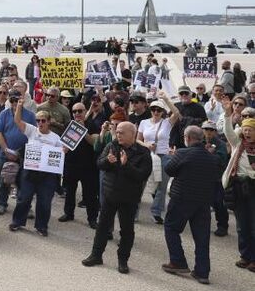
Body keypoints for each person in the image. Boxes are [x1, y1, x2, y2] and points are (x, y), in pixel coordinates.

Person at [81, 122, 152, 274]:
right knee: (102, 227)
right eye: (117, 132)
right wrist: (107, 161)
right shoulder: (112, 146)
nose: (118, 134)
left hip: (129, 198)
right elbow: (99, 163)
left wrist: (126, 165)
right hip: (110, 195)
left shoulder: (143, 152)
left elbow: (142, 175)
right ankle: (96, 255)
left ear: (132, 134)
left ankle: (123, 261)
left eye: (121, 132)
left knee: (127, 231)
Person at [161, 126, 221, 284]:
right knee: (202, 237)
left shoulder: (182, 153)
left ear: (187, 138)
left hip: (181, 199)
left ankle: (177, 261)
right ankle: (202, 272)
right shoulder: (212, 157)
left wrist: (172, 156)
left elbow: (169, 170)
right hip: (203, 202)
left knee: (171, 228)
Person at [9, 107, 64, 236]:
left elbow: (61, 154)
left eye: (43, 120)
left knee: (44, 201)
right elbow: (17, 121)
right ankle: (17, 221)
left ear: (49, 121)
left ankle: (41, 226)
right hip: (30, 171)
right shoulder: (32, 131)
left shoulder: (56, 138)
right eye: (38, 120)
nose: (40, 123)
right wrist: (19, 106)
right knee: (24, 198)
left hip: (47, 175)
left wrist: (64, 151)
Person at [58, 100, 100, 227]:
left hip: (89, 166)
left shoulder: (92, 124)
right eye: (74, 111)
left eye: (80, 111)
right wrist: (64, 149)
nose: (77, 113)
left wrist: (83, 131)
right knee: (70, 191)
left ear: (85, 111)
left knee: (90, 194)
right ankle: (69, 213)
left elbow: (94, 142)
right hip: (71, 165)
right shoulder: (69, 125)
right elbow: (64, 145)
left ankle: (92, 219)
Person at [223, 107, 255, 271]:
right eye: (245, 129)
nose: (247, 132)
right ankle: (245, 256)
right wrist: (228, 116)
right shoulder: (238, 144)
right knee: (242, 224)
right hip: (239, 187)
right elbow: (228, 132)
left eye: (250, 130)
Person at [137, 99, 179, 224]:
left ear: (163, 112)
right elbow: (137, 140)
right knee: (140, 184)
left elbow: (176, 113)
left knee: (162, 186)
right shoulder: (144, 122)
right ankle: (134, 212)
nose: (156, 112)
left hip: (163, 156)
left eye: (159, 110)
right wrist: (146, 145)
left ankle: (156, 212)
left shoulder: (167, 122)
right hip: (147, 155)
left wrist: (166, 99)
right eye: (153, 109)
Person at [201, 121, 230, 237]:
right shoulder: (200, 142)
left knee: (219, 203)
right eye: (206, 129)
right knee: (202, 204)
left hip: (217, 179)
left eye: (211, 130)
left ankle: (222, 226)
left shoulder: (221, 144)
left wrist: (210, 154)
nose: (208, 132)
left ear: (215, 131)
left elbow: (221, 160)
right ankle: (203, 225)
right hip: (202, 178)